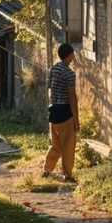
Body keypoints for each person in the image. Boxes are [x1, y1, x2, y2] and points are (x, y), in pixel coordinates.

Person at [42, 42, 79, 181]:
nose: (73, 57)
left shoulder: (52, 69)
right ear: (69, 56)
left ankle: (47, 170)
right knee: (68, 147)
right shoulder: (69, 74)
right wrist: (76, 120)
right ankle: (67, 175)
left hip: (53, 112)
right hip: (65, 113)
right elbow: (72, 98)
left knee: (56, 145)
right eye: (72, 55)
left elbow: (49, 87)